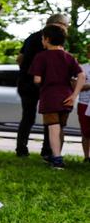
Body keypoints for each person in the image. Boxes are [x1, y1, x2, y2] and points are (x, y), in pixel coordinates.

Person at [29, 25, 84, 170]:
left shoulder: (41, 56)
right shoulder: (69, 57)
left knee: (53, 128)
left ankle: (57, 159)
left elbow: (37, 80)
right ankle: (57, 154)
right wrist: (74, 95)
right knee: (60, 128)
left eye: (42, 38)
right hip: (66, 98)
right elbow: (82, 75)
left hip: (50, 97)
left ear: (47, 39)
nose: (42, 41)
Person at [16, 14, 69, 158]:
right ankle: (47, 151)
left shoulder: (32, 37)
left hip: (26, 83)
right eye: (66, 25)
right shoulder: (53, 40)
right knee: (50, 118)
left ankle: (21, 149)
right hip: (42, 85)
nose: (67, 28)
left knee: (29, 117)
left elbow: (19, 58)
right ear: (57, 24)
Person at [78, 45, 90, 164]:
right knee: (86, 131)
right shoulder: (83, 68)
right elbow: (76, 86)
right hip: (84, 103)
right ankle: (87, 157)